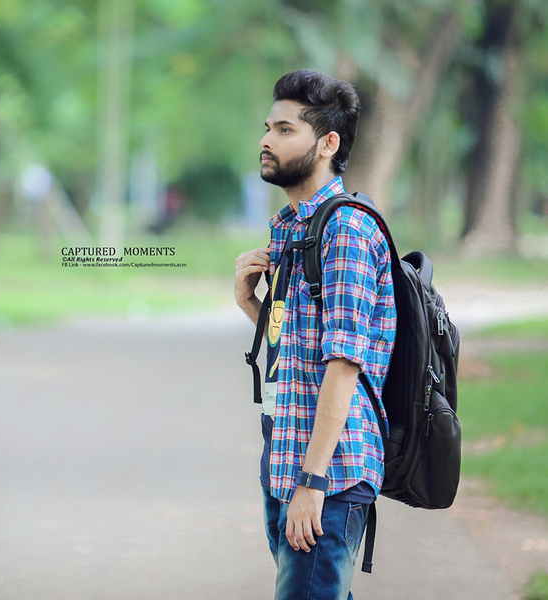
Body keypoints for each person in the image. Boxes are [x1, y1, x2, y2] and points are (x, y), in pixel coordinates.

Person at [234, 70, 397, 599]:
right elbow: (300, 346)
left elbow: (344, 364)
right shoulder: (292, 226)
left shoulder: (345, 230)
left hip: (329, 471)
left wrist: (313, 481)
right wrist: (251, 305)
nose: (267, 140)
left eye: (285, 130)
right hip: (285, 458)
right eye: (268, 128)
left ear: (327, 143)